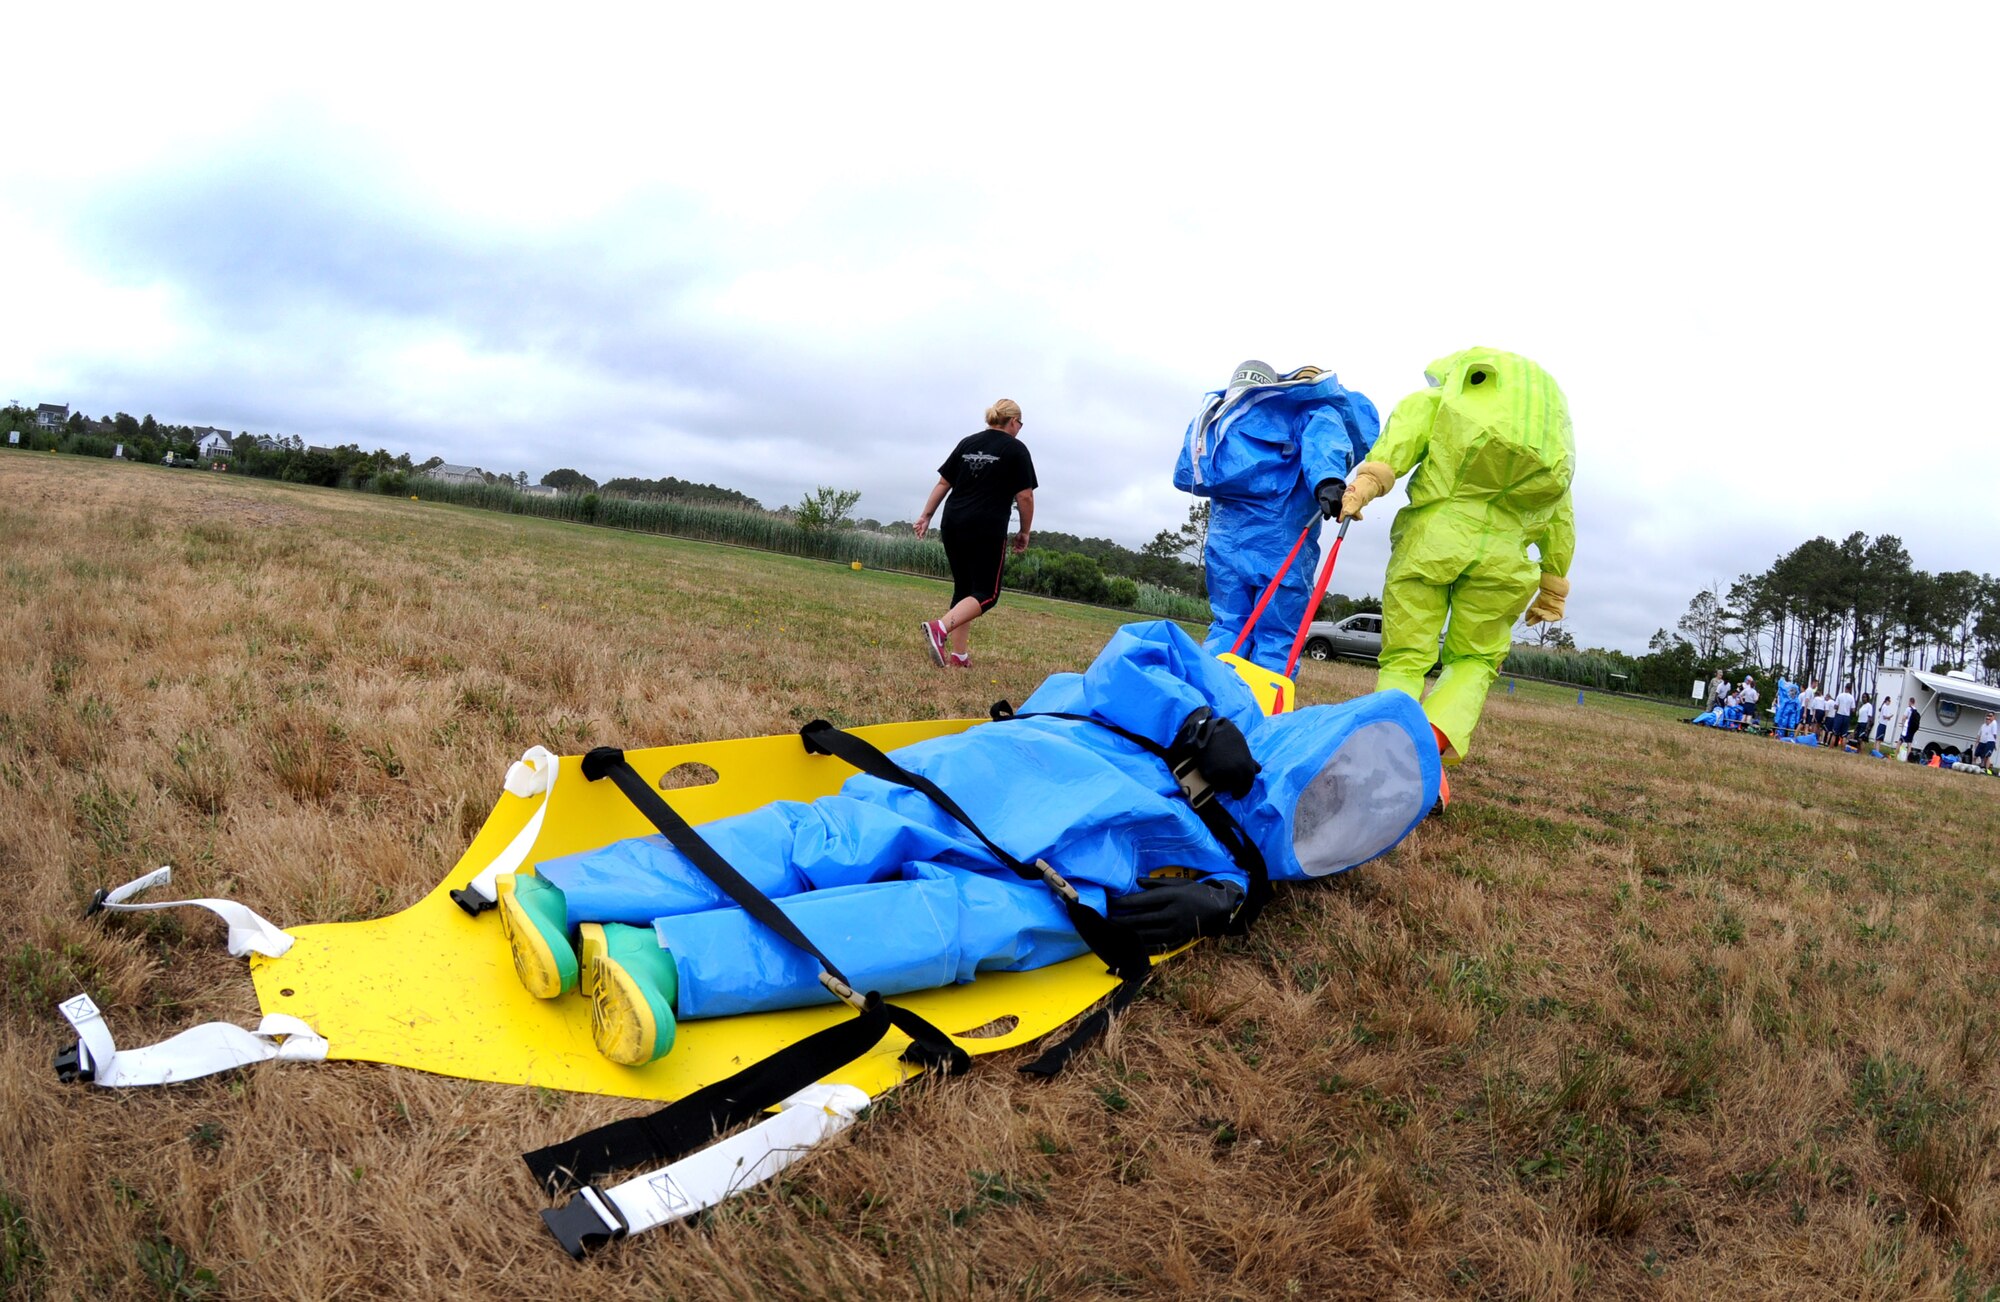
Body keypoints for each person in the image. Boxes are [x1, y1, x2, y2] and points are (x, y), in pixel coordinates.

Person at [494, 622, 1441, 1065]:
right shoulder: (1231, 699)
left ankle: (659, 962)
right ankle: (568, 894)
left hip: (1065, 879)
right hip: (1018, 771)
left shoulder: (1252, 858)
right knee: (837, 834)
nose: (1333, 806)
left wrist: (1217, 900)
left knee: (954, 929)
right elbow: (1127, 655)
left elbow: (1189, 888)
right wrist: (1193, 723)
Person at [1341, 349, 1575, 765]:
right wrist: (1552, 586)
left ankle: (1384, 747)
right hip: (1506, 562)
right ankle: (1426, 754)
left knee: (1406, 655)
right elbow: (1561, 519)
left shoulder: (1436, 404)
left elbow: (1394, 450)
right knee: (1474, 659)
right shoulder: (1550, 450)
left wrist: (1363, 488)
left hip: (1431, 542)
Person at [1174, 361, 1379, 673]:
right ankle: (1261, 712)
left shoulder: (1221, 417)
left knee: (1228, 627)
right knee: (1276, 639)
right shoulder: (1312, 410)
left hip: (1225, 541)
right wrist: (1328, 482)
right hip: (1282, 544)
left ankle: (1210, 701)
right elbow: (1324, 443)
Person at [915, 399, 1037, 668]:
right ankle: (939, 628)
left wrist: (926, 515)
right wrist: (1025, 531)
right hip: (986, 527)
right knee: (986, 594)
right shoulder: (1016, 449)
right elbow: (1025, 496)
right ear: (1013, 422)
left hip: (953, 522)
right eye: (1021, 423)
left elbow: (944, 482)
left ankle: (959, 656)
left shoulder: (968, 443)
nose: (1020, 428)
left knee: (965, 591)